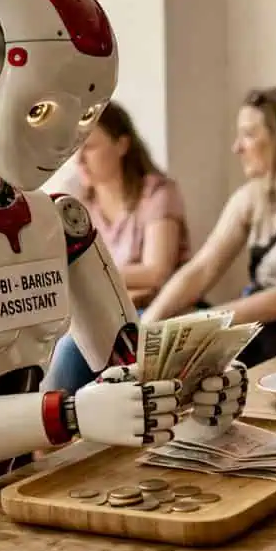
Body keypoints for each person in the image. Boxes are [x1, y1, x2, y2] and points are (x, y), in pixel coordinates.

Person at [142, 87, 276, 363]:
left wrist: (198, 324)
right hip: (257, 326)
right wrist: (150, 323)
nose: (237, 147)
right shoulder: (250, 198)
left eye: (248, 134)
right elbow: (202, 268)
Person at [43, 102, 191, 392]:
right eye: (75, 148)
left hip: (159, 312)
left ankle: (55, 428)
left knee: (73, 348)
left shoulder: (157, 193)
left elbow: (156, 272)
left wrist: (92, 280)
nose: (79, 159)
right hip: (104, 311)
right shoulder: (73, 195)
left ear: (122, 145)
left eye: (89, 147)